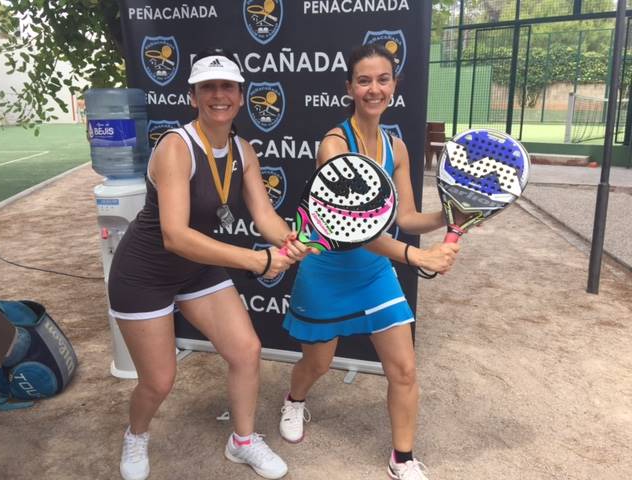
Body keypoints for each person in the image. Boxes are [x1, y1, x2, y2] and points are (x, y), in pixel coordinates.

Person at [108, 47, 311, 480]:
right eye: (208, 87)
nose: (219, 95)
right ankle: (136, 434)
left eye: (228, 87)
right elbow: (175, 235)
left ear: (241, 95)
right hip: (144, 274)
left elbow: (265, 216)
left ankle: (242, 441)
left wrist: (289, 240)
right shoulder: (175, 147)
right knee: (159, 381)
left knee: (246, 351)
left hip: (195, 269)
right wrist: (256, 259)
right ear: (193, 96)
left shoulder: (243, 150)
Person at [278, 44, 461, 480]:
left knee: (404, 370)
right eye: (364, 81)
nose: (374, 89)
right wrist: (417, 255)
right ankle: (294, 400)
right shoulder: (333, 145)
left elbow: (407, 218)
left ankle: (402, 458)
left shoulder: (397, 148)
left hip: (375, 273)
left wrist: (452, 214)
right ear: (350, 88)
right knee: (318, 364)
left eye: (383, 79)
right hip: (326, 271)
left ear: (394, 86)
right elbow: (356, 229)